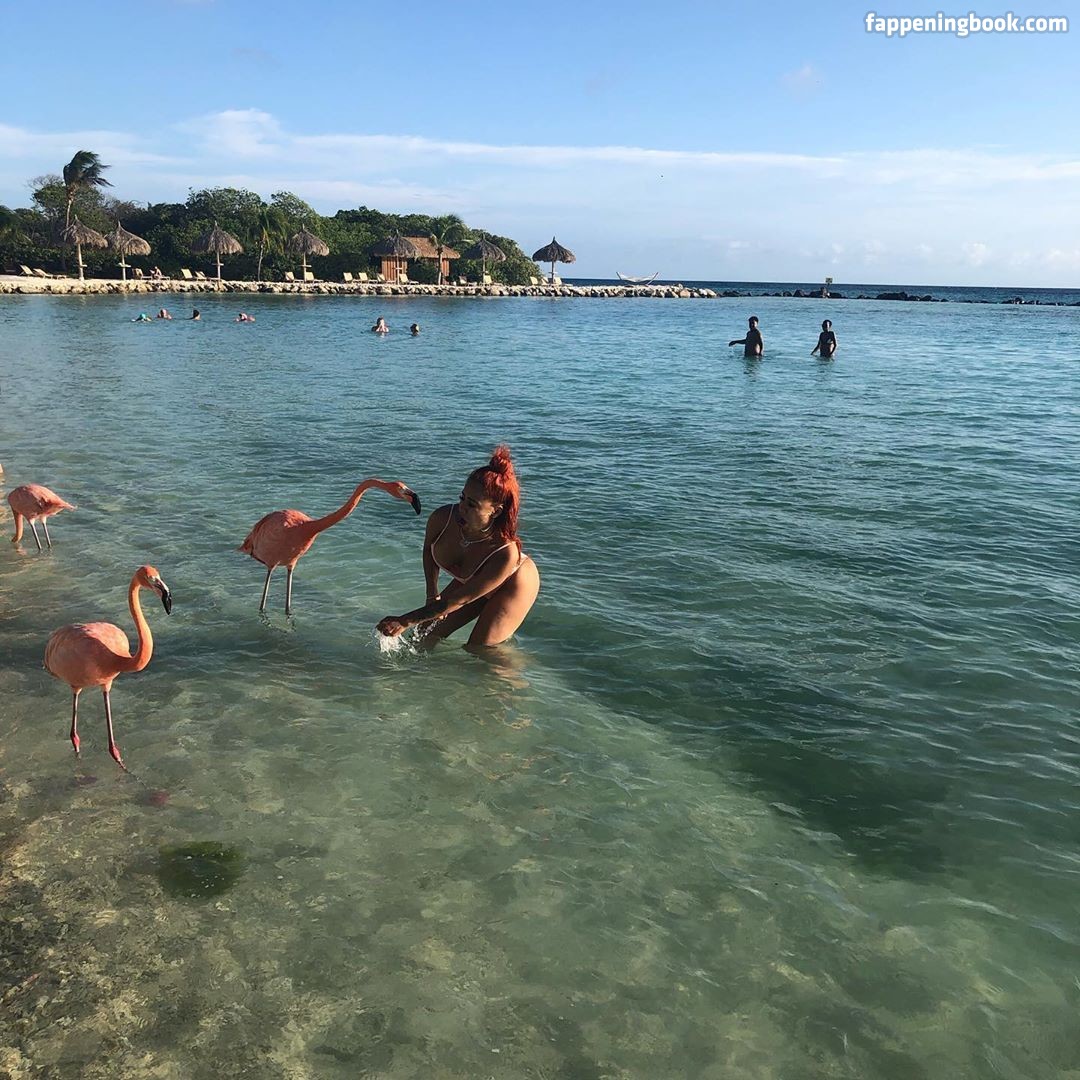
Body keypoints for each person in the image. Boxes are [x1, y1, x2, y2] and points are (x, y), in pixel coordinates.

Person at [377, 446, 540, 648]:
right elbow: (428, 550)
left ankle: (513, 667)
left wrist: (404, 620)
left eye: (472, 504)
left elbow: (459, 600)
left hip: (513, 583)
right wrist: (431, 594)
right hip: (473, 581)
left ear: (496, 511)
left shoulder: (505, 553)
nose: (462, 507)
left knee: (479, 649)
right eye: (462, 498)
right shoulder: (442, 518)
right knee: (424, 633)